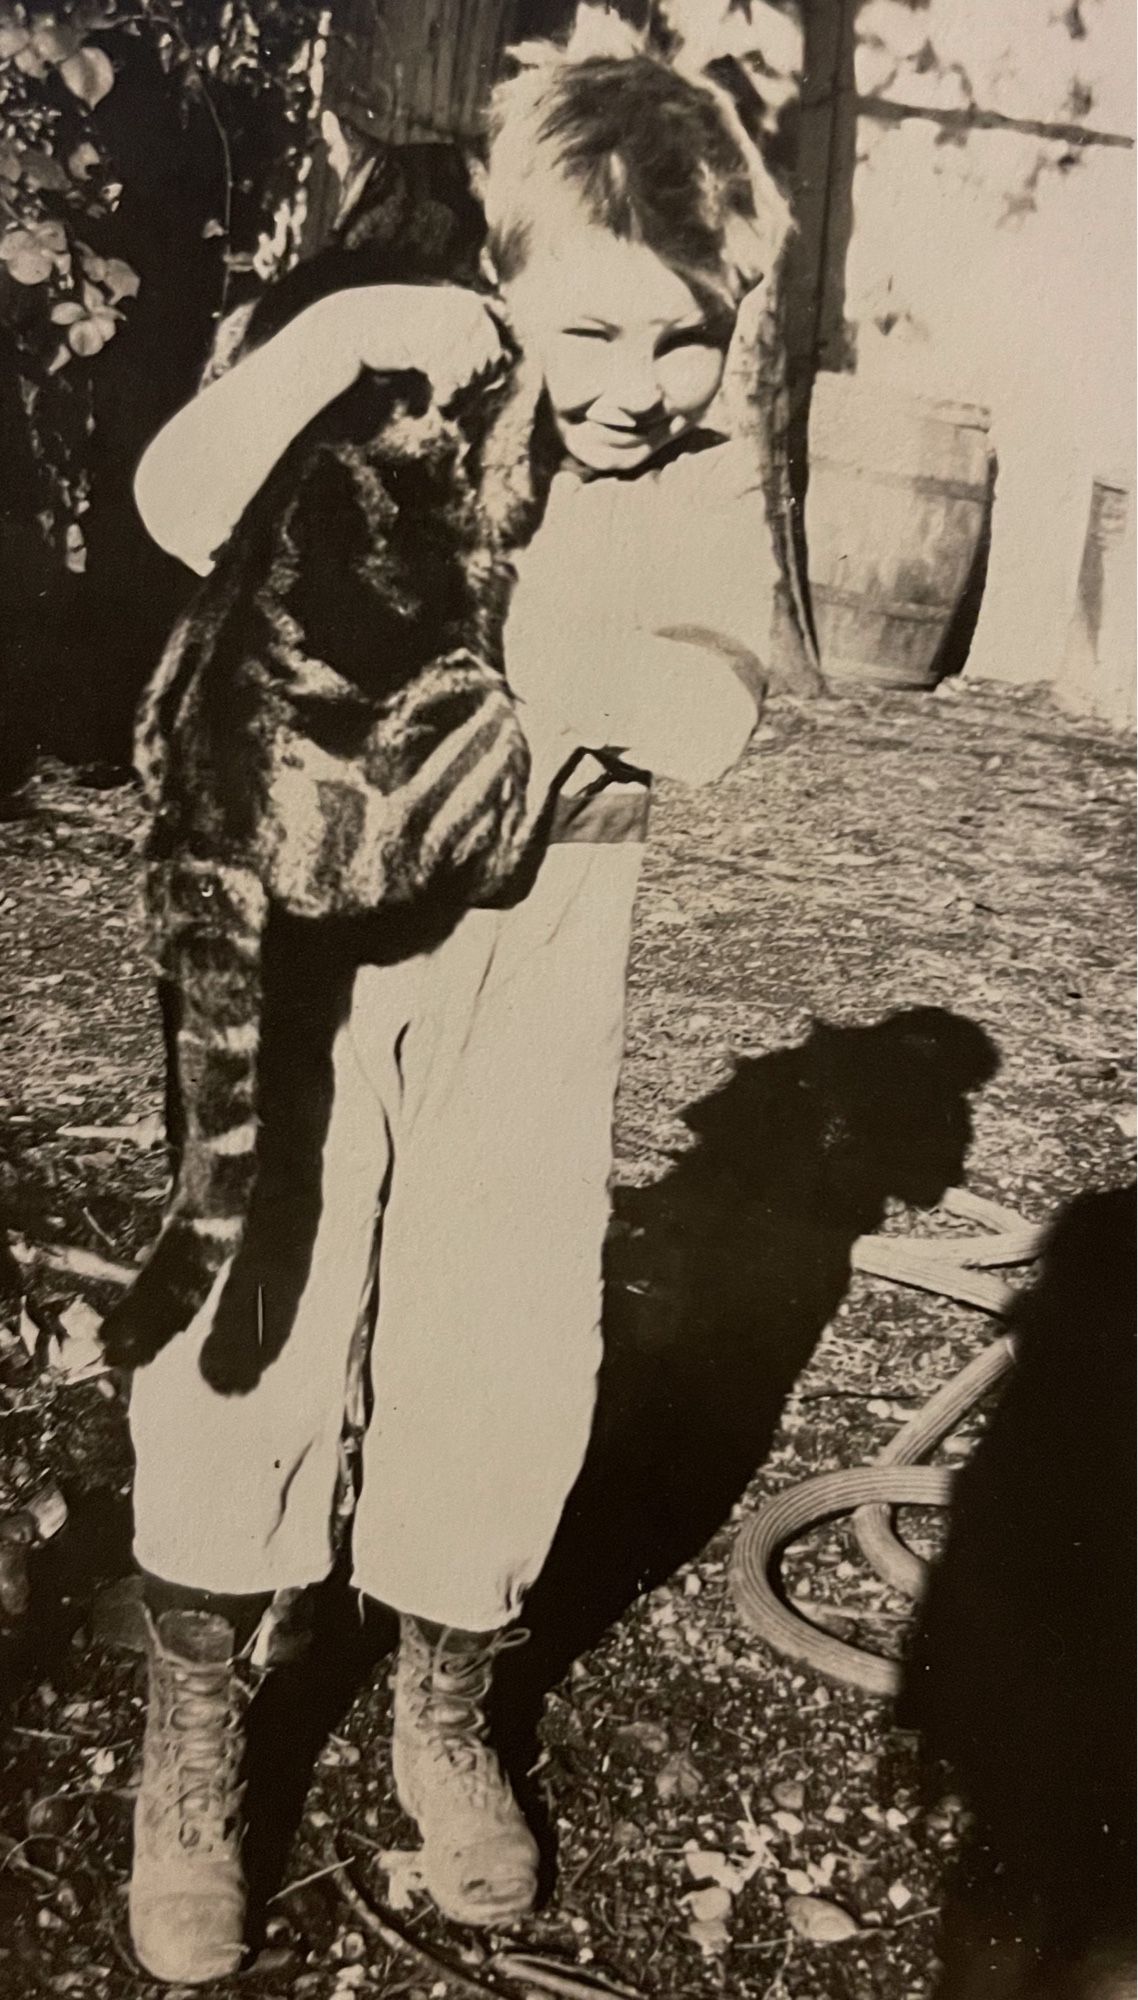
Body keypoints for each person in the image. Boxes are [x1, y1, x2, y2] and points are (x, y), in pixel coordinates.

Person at [123, 7, 798, 1983]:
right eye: (590, 335)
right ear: (496, 289)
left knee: (499, 1302)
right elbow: (175, 509)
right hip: (312, 938)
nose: (639, 381)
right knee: (267, 1280)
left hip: (544, 919)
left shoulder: (696, 449)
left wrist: (611, 701)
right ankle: (195, 1698)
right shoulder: (388, 379)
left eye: (682, 337)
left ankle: (440, 1678)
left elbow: (712, 689)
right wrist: (328, 348)